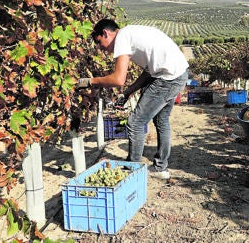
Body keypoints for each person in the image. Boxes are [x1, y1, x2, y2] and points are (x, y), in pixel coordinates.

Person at [76, 19, 189, 179]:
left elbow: (118, 79)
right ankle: (160, 168)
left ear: (106, 33)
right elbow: (149, 71)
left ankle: (133, 171)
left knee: (134, 123)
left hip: (168, 78)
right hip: (178, 72)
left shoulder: (122, 37)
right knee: (161, 120)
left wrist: (90, 81)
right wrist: (129, 91)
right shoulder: (132, 34)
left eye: (100, 43)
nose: (103, 50)